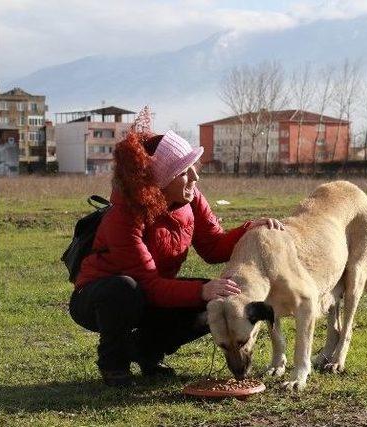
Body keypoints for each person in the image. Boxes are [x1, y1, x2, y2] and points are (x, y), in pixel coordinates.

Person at [68, 121, 284, 387]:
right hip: (100, 299)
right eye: (184, 171)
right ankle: (114, 364)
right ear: (160, 180)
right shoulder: (124, 216)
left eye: (193, 168)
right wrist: (201, 291)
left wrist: (250, 228)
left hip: (150, 291)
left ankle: (147, 351)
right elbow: (148, 285)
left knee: (219, 299)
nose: (195, 177)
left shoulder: (190, 199)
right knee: (124, 289)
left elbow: (213, 247)